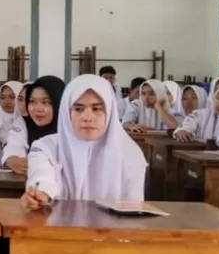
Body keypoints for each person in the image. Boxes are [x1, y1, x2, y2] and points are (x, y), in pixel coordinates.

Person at [22, 74, 147, 209]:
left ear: (110, 112)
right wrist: (41, 193)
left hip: (113, 228)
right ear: (67, 111)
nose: (87, 117)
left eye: (96, 109)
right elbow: (41, 175)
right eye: (78, 109)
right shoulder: (46, 147)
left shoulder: (130, 153)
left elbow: (134, 207)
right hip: (56, 227)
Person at [1, 77, 67, 174]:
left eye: (46, 102)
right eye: (32, 101)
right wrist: (11, 159)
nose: (38, 109)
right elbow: (14, 144)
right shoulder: (24, 123)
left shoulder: (72, 127)